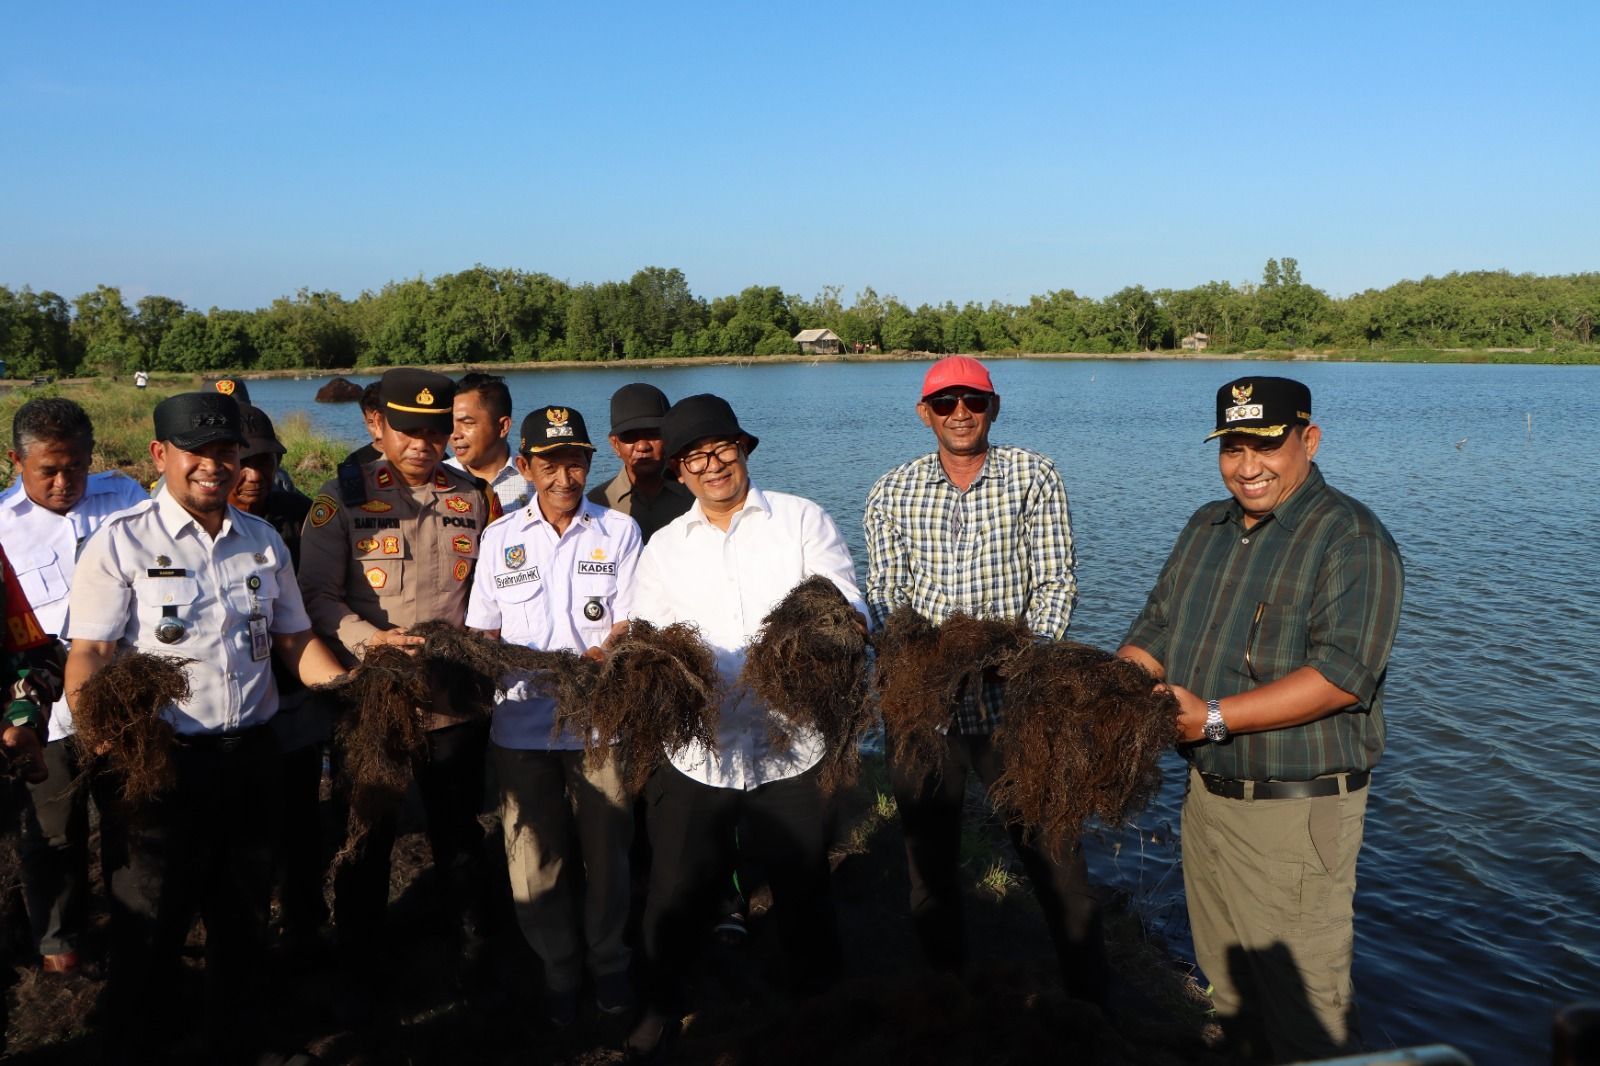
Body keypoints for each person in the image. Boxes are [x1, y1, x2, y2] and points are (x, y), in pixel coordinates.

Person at [1117, 376, 1404, 1062]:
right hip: (1206, 804)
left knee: (1311, 1019)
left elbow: (1341, 676)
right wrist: (1106, 691)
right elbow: (1152, 634)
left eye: (1267, 446)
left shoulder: (1352, 538)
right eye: (1233, 447)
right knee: (1233, 997)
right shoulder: (1205, 527)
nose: (1248, 466)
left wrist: (1211, 718)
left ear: (1309, 439)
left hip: (1294, 821)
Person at [62, 391, 346, 1060]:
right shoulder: (121, 543)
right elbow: (91, 656)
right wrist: (102, 741)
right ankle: (142, 1041)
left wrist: (354, 688)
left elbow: (294, 642)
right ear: (161, 455)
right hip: (160, 762)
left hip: (250, 758)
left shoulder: (264, 540)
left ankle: (241, 1041)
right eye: (198, 452)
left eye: (227, 452)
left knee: (243, 914)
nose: (215, 466)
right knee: (151, 918)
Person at [862, 355, 1108, 1005]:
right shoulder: (892, 490)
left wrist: (1021, 660)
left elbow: (1056, 582)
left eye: (973, 400)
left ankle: (1093, 1001)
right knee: (930, 864)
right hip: (925, 708)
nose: (960, 413)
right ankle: (949, 993)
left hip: (1013, 701)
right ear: (925, 414)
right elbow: (885, 592)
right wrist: (922, 660)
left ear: (993, 408)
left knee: (1055, 854)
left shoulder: (1034, 476)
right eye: (945, 404)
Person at [626, 394, 864, 1058]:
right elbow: (649, 638)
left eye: (723, 448)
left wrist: (838, 627)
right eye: (696, 456)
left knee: (803, 885)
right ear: (678, 471)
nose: (713, 465)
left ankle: (819, 1004)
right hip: (698, 750)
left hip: (792, 744)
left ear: (745, 448)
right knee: (673, 889)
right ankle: (662, 1004)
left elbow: (844, 599)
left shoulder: (800, 520)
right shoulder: (665, 550)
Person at [296, 368, 498, 1002]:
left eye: (437, 431)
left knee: (459, 833)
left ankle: (473, 959)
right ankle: (360, 965)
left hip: (455, 699)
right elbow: (315, 596)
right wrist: (365, 639)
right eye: (409, 430)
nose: (423, 444)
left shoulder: (474, 499)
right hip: (375, 697)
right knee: (368, 834)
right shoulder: (340, 500)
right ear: (375, 423)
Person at [467, 405, 639, 1026]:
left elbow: (630, 618)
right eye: (551, 464)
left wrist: (606, 650)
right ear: (525, 466)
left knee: (607, 855)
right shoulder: (499, 538)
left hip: (601, 725)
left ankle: (610, 965)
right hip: (520, 725)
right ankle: (559, 969)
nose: (565, 476)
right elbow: (483, 629)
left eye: (576, 462)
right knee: (533, 859)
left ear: (589, 463)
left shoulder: (618, 531)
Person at [0, 397, 149, 974]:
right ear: (17, 460)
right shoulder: (3, 528)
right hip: (47, 713)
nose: (65, 482)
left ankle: (137, 932)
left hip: (124, 702)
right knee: (54, 832)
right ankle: (58, 939)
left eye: (77, 467)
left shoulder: (130, 501)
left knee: (131, 823)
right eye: (49, 471)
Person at [229, 403, 328, 949]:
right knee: (241, 833)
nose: (252, 475)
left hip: (295, 696)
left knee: (301, 820)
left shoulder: (300, 514)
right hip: (231, 709)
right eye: (242, 461)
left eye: (264, 461)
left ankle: (305, 924)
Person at [586, 383, 691, 544]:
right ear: (615, 444)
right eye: (630, 436)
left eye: (653, 433)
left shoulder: (698, 494)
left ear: (670, 435)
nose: (642, 446)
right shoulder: (596, 504)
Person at [448, 371, 529, 512]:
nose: (454, 434)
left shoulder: (535, 481)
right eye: (450, 423)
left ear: (503, 426)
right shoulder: (435, 479)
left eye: (467, 423)